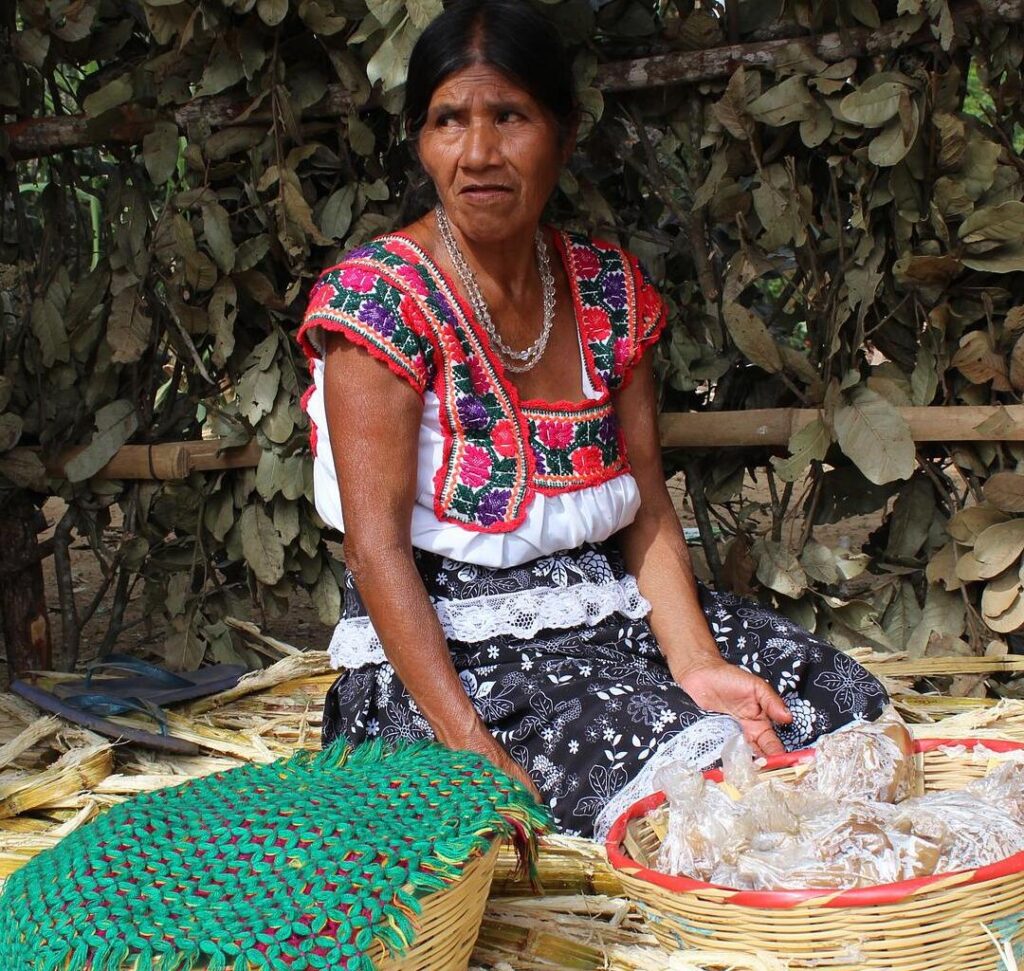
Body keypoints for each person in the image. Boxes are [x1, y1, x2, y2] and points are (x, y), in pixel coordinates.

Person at [296, 0, 887, 840]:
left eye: (510, 116)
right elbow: (376, 549)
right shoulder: (380, 301)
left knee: (830, 699)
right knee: (703, 775)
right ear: (421, 142)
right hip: (451, 660)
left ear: (563, 136)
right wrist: (470, 746)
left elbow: (646, 507)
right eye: (448, 121)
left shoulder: (610, 293)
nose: (478, 154)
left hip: (610, 609)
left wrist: (695, 661)